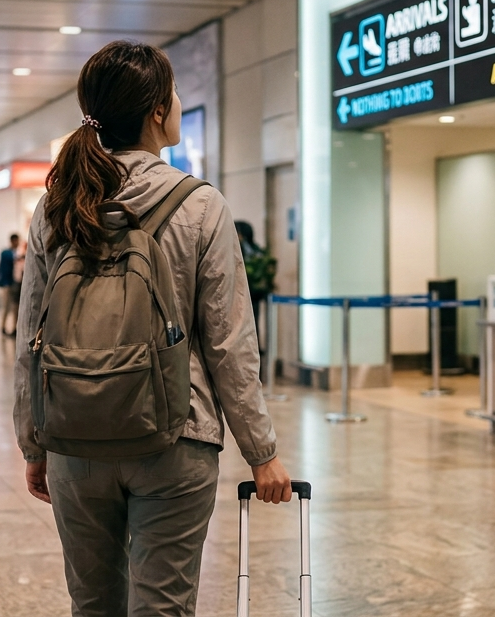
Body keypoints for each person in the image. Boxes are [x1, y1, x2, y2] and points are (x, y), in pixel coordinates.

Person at [14, 40, 289, 617]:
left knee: (93, 605)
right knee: (163, 608)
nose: (179, 102)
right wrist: (261, 451)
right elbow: (230, 344)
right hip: (175, 436)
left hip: (75, 437)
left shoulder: (56, 208)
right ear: (157, 112)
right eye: (174, 93)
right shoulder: (201, 205)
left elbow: (31, 338)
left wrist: (33, 441)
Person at [234, 221, 277, 347]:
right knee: (253, 323)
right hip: (255, 294)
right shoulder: (257, 249)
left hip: (243, 293)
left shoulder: (240, 248)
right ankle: (254, 348)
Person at [0, 233, 19, 337]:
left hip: (15, 284)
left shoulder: (15, 254)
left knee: (15, 307)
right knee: (6, 306)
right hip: (7, 283)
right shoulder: (6, 253)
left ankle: (14, 327)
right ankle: (3, 326)